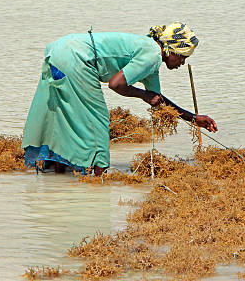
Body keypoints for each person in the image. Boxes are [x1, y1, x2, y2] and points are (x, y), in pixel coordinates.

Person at [21, 23, 217, 176]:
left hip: (59, 49)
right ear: (170, 50)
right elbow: (116, 84)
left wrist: (193, 118)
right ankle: (99, 177)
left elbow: (159, 100)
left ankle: (58, 171)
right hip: (77, 58)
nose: (182, 63)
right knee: (97, 120)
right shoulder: (153, 56)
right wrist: (142, 95)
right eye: (183, 57)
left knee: (63, 114)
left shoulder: (150, 53)